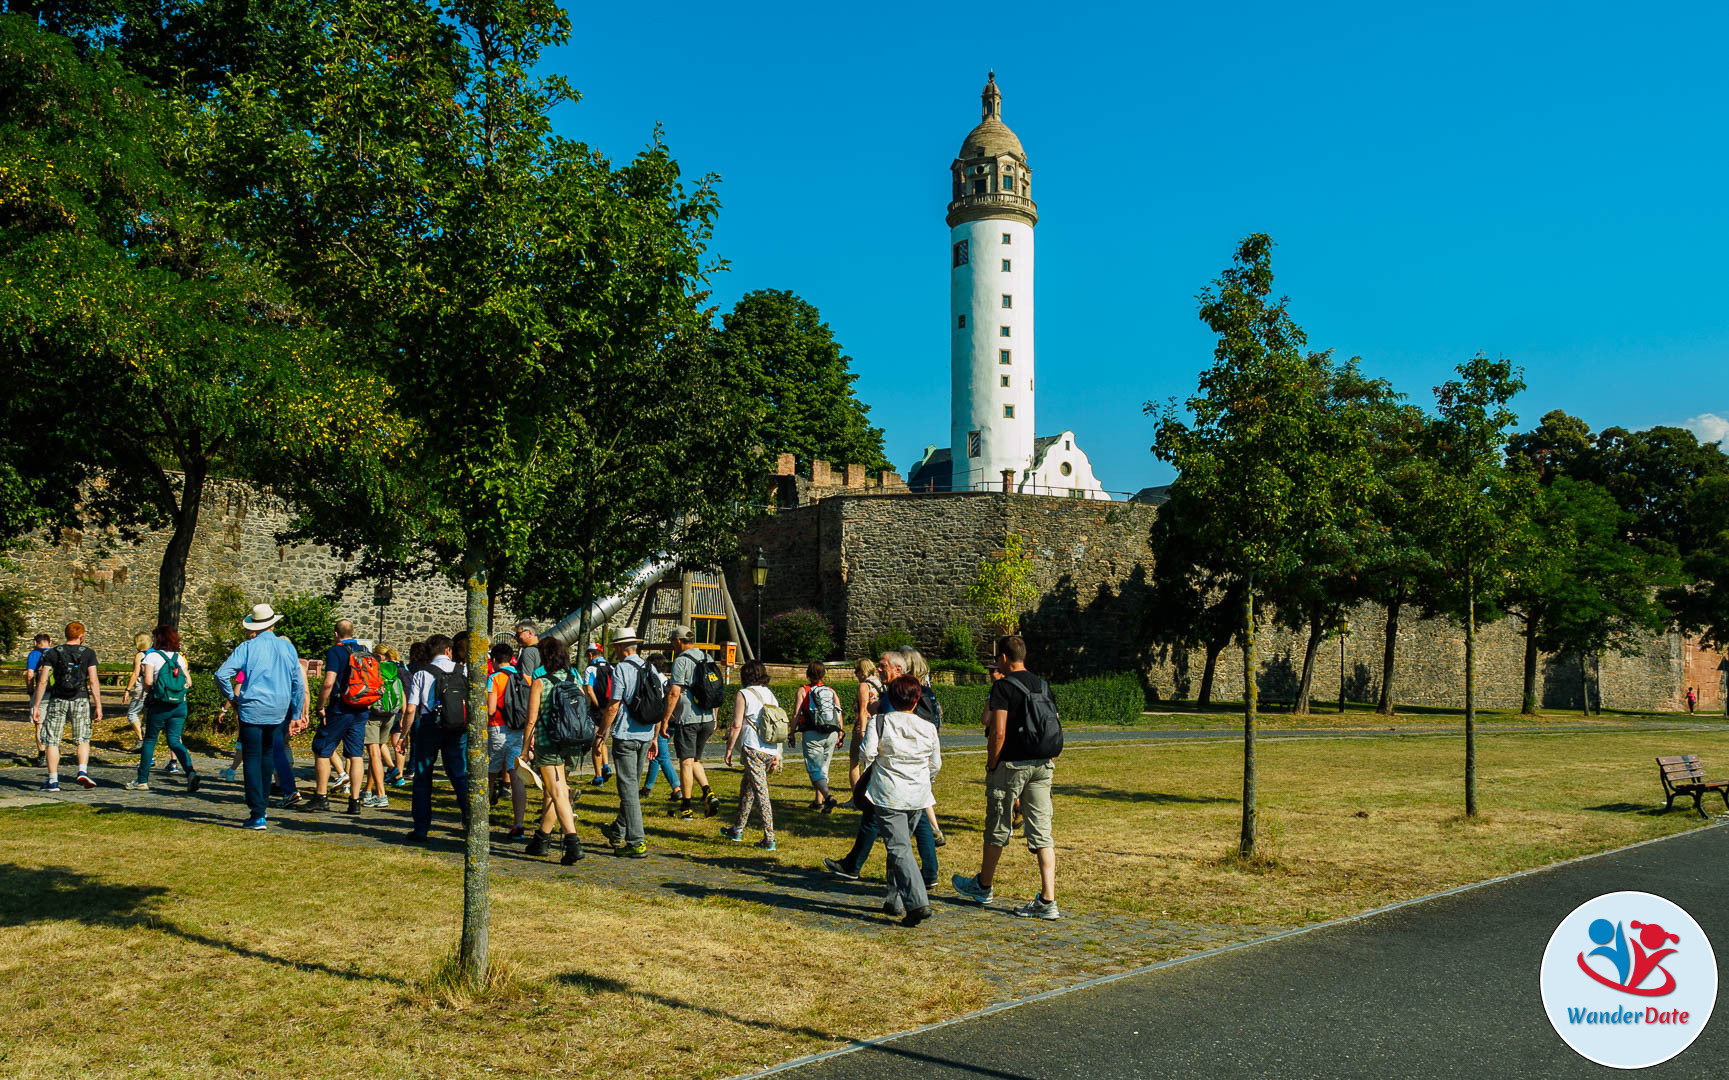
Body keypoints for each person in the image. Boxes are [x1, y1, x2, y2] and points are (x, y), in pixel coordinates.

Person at [953, 635, 1061, 920]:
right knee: (1042, 831)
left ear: (1002, 658)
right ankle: (1048, 899)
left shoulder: (1002, 686)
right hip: (1042, 764)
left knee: (998, 824)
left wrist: (992, 764)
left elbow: (998, 731)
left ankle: (984, 885)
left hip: (1012, 764)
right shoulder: (1042, 684)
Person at [822, 650, 939, 888]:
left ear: (898, 668)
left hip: (893, 773)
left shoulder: (897, 693)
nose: (879, 668)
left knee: (881, 822)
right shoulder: (916, 690)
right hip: (915, 776)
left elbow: (879, 732)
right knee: (918, 821)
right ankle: (928, 872)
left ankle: (868, 873)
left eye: (883, 665)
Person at [858, 674, 942, 926]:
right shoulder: (928, 727)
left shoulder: (880, 722)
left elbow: (867, 752)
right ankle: (893, 898)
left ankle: (917, 903)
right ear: (916, 700)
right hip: (917, 795)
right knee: (899, 846)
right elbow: (935, 764)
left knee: (898, 848)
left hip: (889, 793)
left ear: (889, 699)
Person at [215, 604, 309, 830]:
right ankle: (263, 806)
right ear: (272, 623)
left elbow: (221, 674)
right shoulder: (287, 648)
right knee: (268, 755)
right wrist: (296, 712)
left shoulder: (247, 647)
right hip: (278, 709)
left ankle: (257, 812)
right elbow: (298, 683)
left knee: (252, 757)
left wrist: (232, 698)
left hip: (252, 708)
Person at [522, 636, 588, 865]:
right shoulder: (574, 679)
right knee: (553, 790)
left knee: (557, 791)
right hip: (572, 743)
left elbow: (531, 720)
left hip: (547, 742)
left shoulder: (540, 682)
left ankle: (572, 842)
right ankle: (541, 839)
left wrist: (524, 750)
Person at [400, 633, 470, 841]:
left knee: (423, 776)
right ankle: (470, 821)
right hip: (457, 726)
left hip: (429, 724)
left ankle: (421, 828)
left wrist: (403, 735)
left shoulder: (422, 674)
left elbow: (411, 709)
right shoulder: (464, 670)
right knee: (459, 775)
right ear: (448, 651)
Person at [597, 633, 656, 857]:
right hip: (645, 733)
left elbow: (613, 705)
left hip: (625, 733)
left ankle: (636, 842)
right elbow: (660, 698)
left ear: (621, 648)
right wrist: (655, 735)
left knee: (628, 789)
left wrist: (602, 733)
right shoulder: (651, 667)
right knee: (631, 786)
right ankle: (618, 829)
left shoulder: (621, 669)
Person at [306, 620, 372, 814]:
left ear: (336, 634)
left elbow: (328, 682)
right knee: (356, 754)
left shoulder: (336, 651)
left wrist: (320, 706)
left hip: (340, 707)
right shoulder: (365, 651)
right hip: (361, 707)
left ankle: (321, 797)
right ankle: (355, 801)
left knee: (322, 748)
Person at [29, 621, 103, 791]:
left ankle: (53, 780)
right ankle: (82, 770)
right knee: (82, 738)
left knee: (52, 740)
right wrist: (98, 705)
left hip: (58, 699)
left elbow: (43, 680)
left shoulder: (53, 653)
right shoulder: (89, 654)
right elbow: (93, 680)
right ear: (81, 636)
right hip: (81, 698)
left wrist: (36, 705)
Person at [126, 625, 199, 793]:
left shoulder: (151, 657)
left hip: (160, 704)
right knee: (174, 741)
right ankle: (190, 772)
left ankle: (142, 780)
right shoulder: (179, 658)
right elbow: (189, 682)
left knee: (150, 740)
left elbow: (149, 682)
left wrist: (146, 691)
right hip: (179, 705)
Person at [721, 659, 783, 850]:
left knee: (761, 793)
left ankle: (769, 837)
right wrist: (778, 754)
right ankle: (737, 829)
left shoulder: (744, 694)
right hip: (769, 748)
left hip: (752, 747)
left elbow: (736, 724)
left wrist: (729, 748)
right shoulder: (770, 695)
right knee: (748, 787)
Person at [662, 625, 720, 819]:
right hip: (708, 718)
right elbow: (715, 690)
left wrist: (665, 719)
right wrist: (715, 717)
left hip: (688, 717)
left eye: (672, 641)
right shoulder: (708, 658)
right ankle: (708, 793)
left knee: (685, 762)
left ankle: (686, 807)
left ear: (678, 641)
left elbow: (675, 692)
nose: (672, 645)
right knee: (695, 759)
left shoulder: (680, 661)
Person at [485, 641, 529, 840]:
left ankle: (482, 817)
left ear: (494, 660)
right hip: (518, 729)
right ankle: (518, 824)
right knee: (515, 774)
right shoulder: (522, 677)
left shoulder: (494, 678)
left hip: (497, 728)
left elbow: (491, 709)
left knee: (490, 773)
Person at [361, 645, 408, 808]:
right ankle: (368, 791)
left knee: (374, 755)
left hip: (374, 714)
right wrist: (402, 714)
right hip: (390, 714)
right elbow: (401, 692)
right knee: (377, 754)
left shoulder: (375, 669)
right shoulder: (394, 669)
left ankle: (381, 794)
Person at [794, 661, 844, 812]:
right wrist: (840, 733)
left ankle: (828, 797)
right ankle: (818, 801)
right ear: (824, 674)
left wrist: (791, 732)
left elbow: (797, 714)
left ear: (808, 674)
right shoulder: (831, 691)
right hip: (832, 733)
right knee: (824, 767)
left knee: (815, 769)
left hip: (812, 732)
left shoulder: (803, 690)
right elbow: (838, 712)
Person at [639, 653, 683, 803]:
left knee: (663, 756)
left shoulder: (654, 680)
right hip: (674, 720)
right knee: (656, 755)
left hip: (662, 721)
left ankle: (677, 788)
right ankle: (647, 788)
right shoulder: (667, 680)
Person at [848, 657, 884, 792]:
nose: (855, 674)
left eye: (856, 671)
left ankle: (857, 797)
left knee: (855, 762)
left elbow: (863, 710)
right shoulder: (880, 684)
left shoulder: (865, 685)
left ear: (862, 671)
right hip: (879, 725)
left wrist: (861, 731)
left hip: (866, 725)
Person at [582, 641, 614, 787]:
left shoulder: (591, 669)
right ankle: (606, 766)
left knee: (596, 742)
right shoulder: (611, 667)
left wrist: (598, 706)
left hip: (597, 711)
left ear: (590, 654)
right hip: (610, 709)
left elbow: (589, 690)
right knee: (603, 738)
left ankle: (598, 776)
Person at [25, 632, 52, 768]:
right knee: (52, 722)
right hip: (58, 693)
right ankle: (53, 751)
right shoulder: (57, 653)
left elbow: (30, 674)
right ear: (50, 643)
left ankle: (42, 755)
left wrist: (30, 691)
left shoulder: (34, 654)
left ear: (35, 643)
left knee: (39, 723)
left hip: (42, 693)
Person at [124, 630, 152, 748]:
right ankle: (147, 740)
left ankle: (140, 739)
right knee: (146, 716)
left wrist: (127, 689)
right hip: (151, 687)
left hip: (141, 688)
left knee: (132, 713)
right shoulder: (152, 654)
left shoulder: (140, 655)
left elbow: (135, 674)